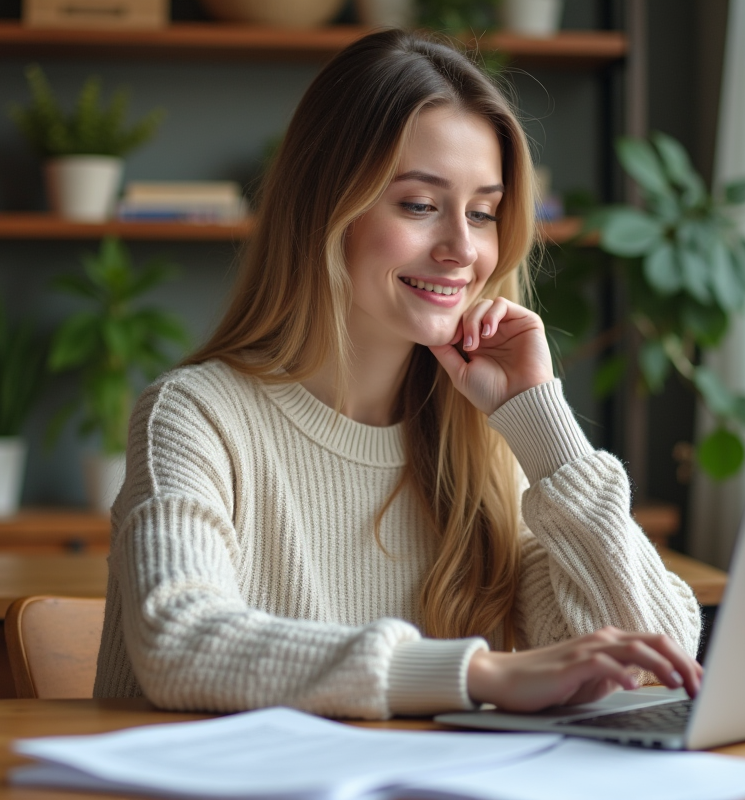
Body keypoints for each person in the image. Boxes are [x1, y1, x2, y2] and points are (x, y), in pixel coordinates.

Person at [94, 28, 703, 719]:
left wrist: (543, 425)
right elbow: (179, 642)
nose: (462, 250)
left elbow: (656, 657)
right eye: (419, 205)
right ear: (327, 208)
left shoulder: (488, 442)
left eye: (483, 212)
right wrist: (478, 673)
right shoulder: (196, 415)